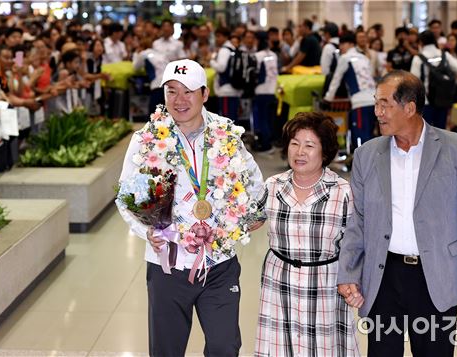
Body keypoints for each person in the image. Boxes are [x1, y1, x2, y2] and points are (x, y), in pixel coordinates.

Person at [117, 59, 264, 357]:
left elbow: (255, 184)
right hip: (167, 264)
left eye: (188, 92)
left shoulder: (228, 135)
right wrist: (147, 232)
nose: (179, 100)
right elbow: (126, 197)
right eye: (171, 92)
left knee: (224, 347)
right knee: (166, 350)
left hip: (219, 262)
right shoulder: (146, 141)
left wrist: (251, 216)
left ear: (205, 94)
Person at [337, 70, 457, 357]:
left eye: (385, 104)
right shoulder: (367, 155)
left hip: (436, 274)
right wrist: (348, 271)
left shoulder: (455, 148)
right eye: (376, 104)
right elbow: (358, 219)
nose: (377, 112)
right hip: (383, 276)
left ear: (409, 108)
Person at [254, 112, 360, 356]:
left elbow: (356, 244)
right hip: (278, 284)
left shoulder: (342, 191)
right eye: (294, 143)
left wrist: (355, 281)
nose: (300, 152)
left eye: (309, 145)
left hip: (325, 286)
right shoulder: (272, 186)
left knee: (324, 349)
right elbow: (246, 221)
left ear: (324, 152)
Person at [325, 32, 377, 148]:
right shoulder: (364, 58)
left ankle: (363, 164)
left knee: (360, 137)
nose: (340, 48)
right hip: (375, 100)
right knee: (371, 135)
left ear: (349, 44)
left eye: (342, 45)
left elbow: (336, 80)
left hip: (360, 102)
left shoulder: (345, 58)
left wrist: (328, 98)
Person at [410, 30, 457, 129]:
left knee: (425, 133)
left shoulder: (418, 59)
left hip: (426, 101)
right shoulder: (444, 55)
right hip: (443, 99)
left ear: (421, 42)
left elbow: (412, 83)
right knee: (440, 132)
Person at [210, 26, 242, 122]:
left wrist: (211, 61)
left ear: (225, 37)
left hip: (226, 89)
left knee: (226, 120)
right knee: (233, 118)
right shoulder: (233, 49)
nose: (217, 39)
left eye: (219, 36)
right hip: (234, 87)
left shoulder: (224, 50)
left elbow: (221, 68)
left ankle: (229, 137)